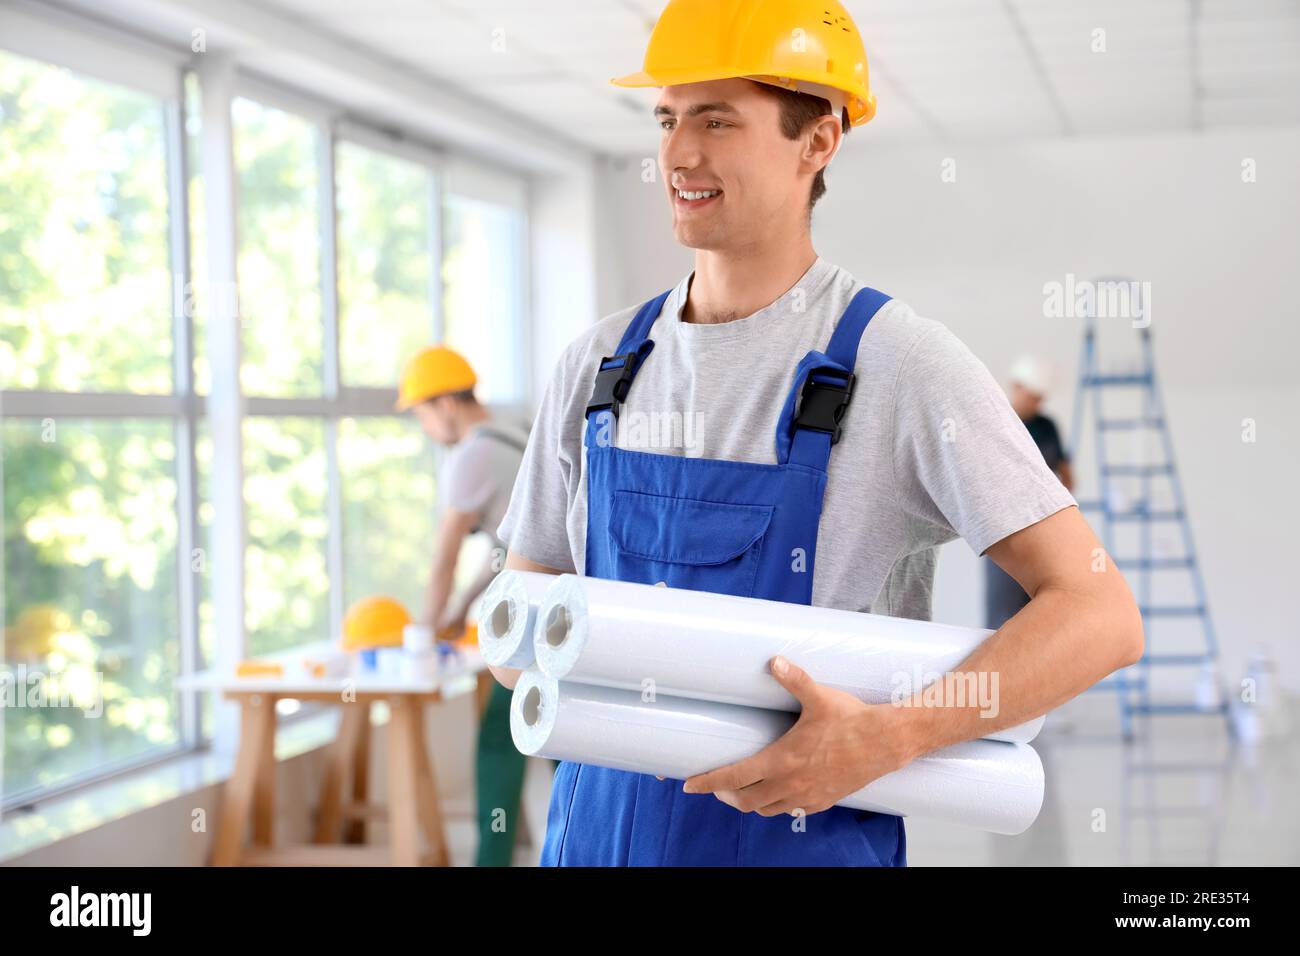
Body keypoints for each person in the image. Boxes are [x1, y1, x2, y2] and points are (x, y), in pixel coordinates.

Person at [491, 0, 1143, 867]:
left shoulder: (898, 364)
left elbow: (1101, 615)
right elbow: (518, 621)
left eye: (719, 120)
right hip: (593, 842)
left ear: (819, 139)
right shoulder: (599, 366)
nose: (680, 154)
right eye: (668, 118)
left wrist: (893, 736)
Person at [395, 345, 531, 867]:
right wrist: (465, 609)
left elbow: (444, 558)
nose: (426, 427)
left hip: (535, 613)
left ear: (445, 404)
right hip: (571, 600)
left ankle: (490, 862)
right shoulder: (515, 431)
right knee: (559, 734)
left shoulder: (471, 456)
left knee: (502, 738)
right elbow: (510, 547)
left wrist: (426, 630)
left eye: (422, 414)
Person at [985, 356, 1076, 630]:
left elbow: (1068, 478)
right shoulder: (997, 421)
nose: (1037, 404)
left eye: (1040, 399)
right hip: (1005, 533)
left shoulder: (1047, 427)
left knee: (1043, 612)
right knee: (1004, 617)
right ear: (1016, 386)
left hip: (1045, 529)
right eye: (1032, 397)